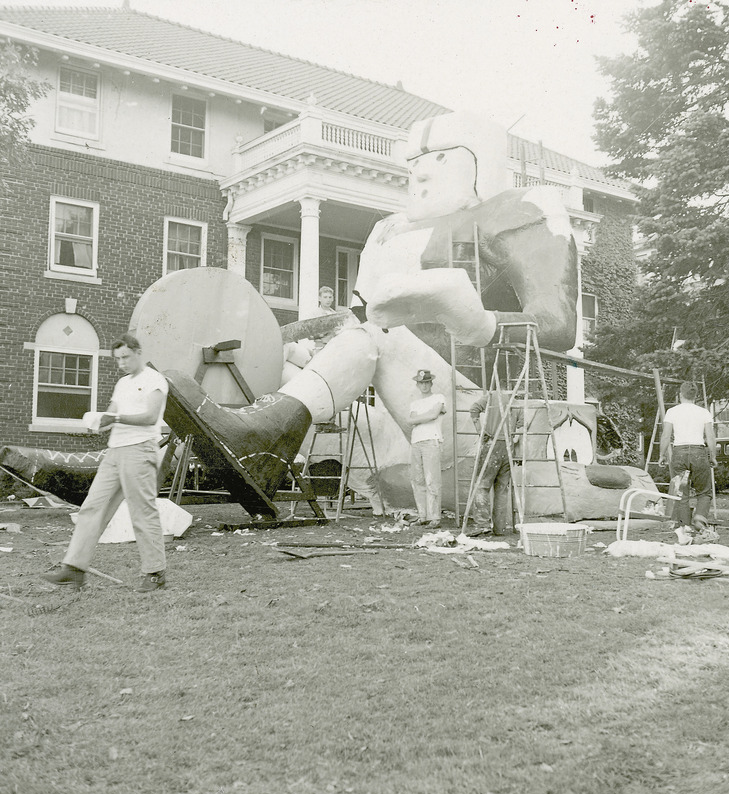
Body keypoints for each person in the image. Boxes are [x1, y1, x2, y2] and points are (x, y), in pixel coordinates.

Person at [162, 112, 578, 513]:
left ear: (479, 161)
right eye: (414, 161)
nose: (422, 172)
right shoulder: (390, 228)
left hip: (474, 411)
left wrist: (478, 321)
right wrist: (298, 350)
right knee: (285, 363)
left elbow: (558, 325)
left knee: (378, 334)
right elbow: (359, 322)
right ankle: (259, 447)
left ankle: (260, 435)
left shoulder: (522, 208)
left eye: (441, 156)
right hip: (403, 418)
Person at [43, 333, 170, 592]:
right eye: (117, 359)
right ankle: (75, 569)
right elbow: (110, 415)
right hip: (114, 451)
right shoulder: (122, 383)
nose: (121, 363)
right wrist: (96, 423)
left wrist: (115, 418)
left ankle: (155, 573)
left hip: (139, 449)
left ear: (137, 352)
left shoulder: (154, 380)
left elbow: (150, 417)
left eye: (125, 357)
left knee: (142, 511)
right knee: (92, 507)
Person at [659, 381, 718, 542]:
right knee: (704, 491)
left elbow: (666, 435)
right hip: (699, 451)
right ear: (696, 396)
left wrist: (662, 455)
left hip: (679, 452)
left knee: (682, 493)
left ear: (680, 394)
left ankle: (684, 527)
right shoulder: (704, 412)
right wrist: (712, 455)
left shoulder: (672, 411)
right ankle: (699, 517)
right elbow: (710, 436)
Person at [469, 391, 523, 535]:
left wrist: (480, 430)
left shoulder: (491, 396)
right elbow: (522, 427)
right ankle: (499, 528)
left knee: (482, 485)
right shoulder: (515, 401)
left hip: (492, 445)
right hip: (508, 448)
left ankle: (482, 525)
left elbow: (474, 409)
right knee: (502, 489)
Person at [408, 370, 446, 528]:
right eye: (421, 383)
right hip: (416, 441)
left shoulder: (439, 398)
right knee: (417, 480)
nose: (424, 385)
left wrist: (419, 418)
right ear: (417, 384)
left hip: (431, 440)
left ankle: (435, 517)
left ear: (431, 383)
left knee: (432, 480)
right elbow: (409, 420)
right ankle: (422, 515)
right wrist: (426, 416)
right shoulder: (414, 403)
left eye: (426, 382)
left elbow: (434, 415)